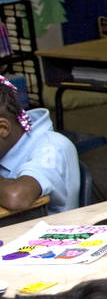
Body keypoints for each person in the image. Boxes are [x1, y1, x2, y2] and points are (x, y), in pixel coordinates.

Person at [0, 76, 78, 213]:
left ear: (3, 128)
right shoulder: (7, 147)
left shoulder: (52, 146)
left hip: (50, 231)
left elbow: (17, 197)